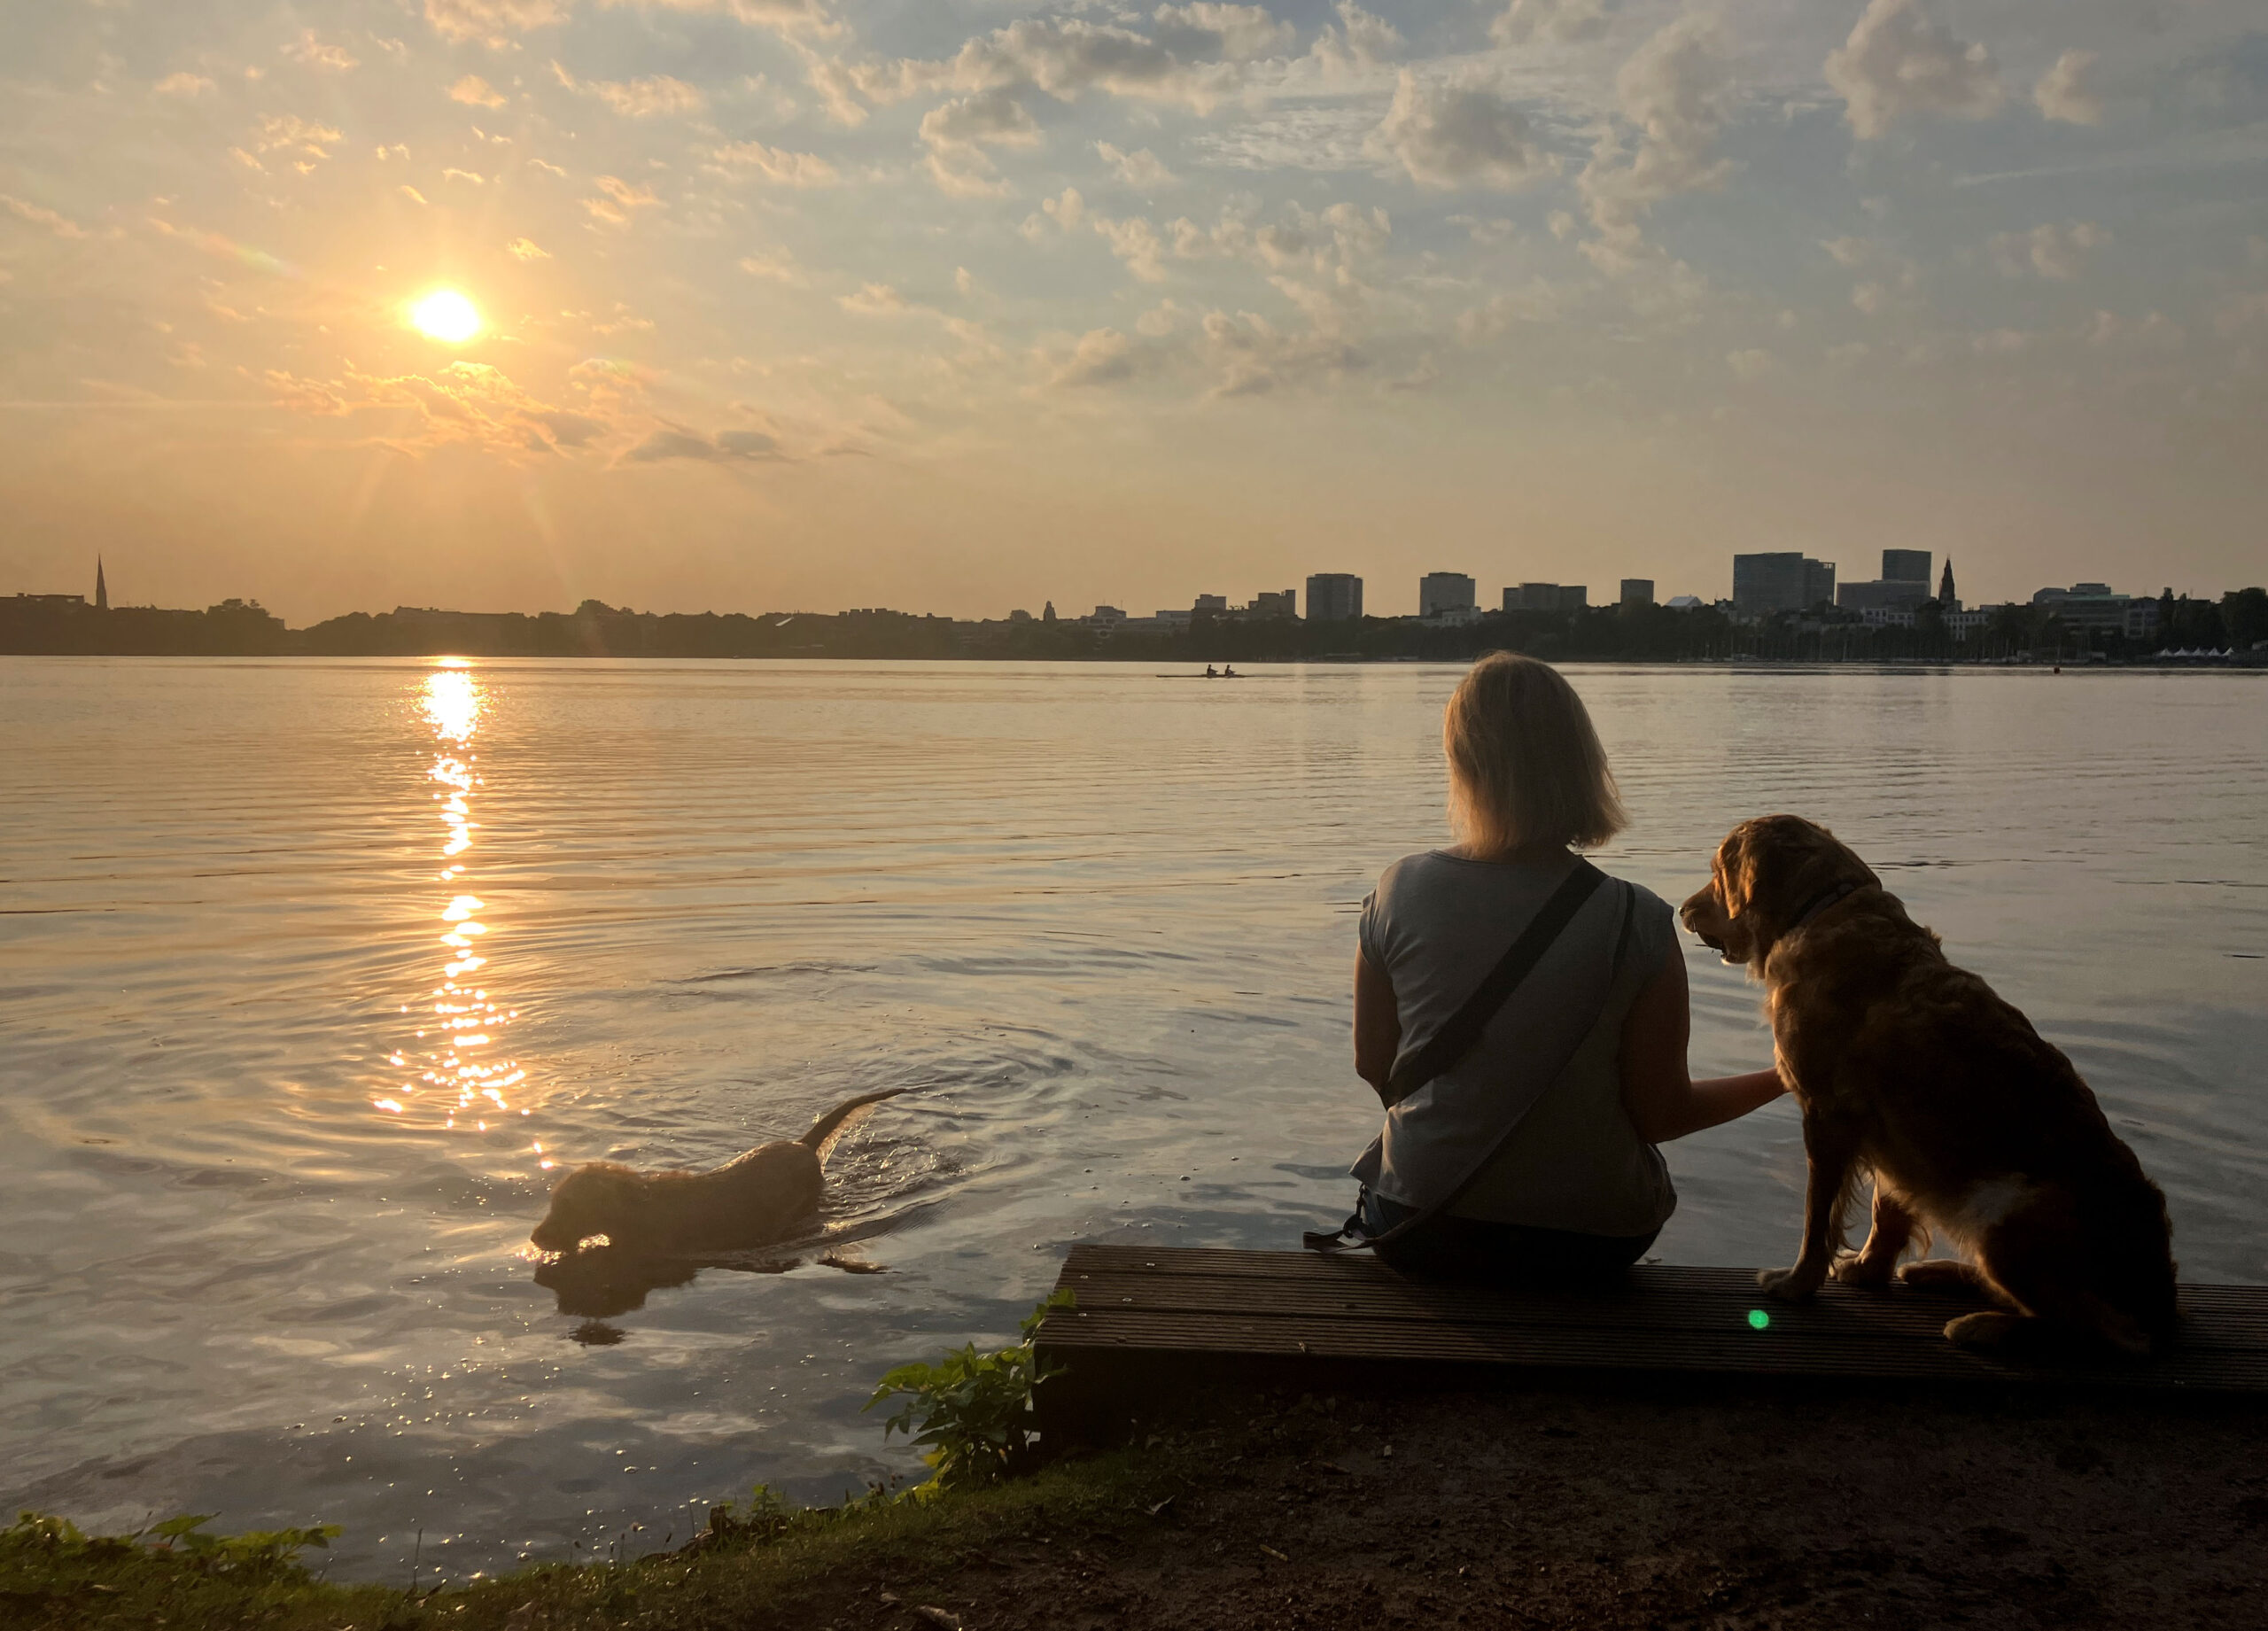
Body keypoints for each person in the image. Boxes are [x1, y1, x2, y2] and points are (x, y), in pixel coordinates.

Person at [1335, 652, 1783, 1283]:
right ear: (1580, 764)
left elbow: (1371, 1063)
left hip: (1422, 1222)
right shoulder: (1637, 919)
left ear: (1463, 763)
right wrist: (1786, 1075)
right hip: (1591, 1241)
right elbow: (1663, 1115)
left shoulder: (1397, 889)